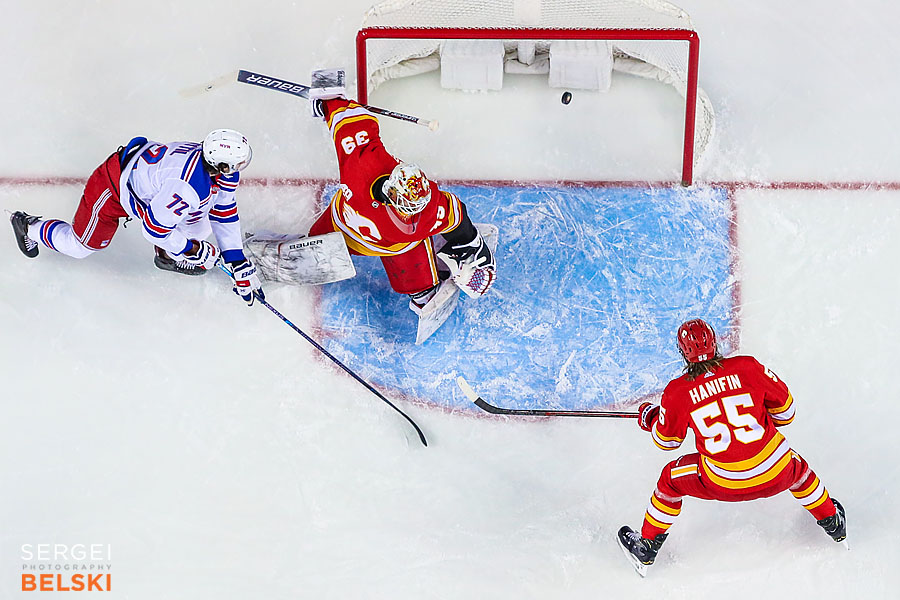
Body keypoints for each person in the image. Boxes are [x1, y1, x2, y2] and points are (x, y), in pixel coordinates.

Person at [617, 318, 847, 576]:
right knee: (796, 469)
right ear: (715, 343)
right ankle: (833, 522)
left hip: (723, 482)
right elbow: (786, 414)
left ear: (682, 352)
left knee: (670, 479)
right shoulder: (748, 367)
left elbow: (667, 441)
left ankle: (647, 546)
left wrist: (653, 418)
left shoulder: (677, 392)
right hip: (777, 474)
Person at [306, 71, 496, 329]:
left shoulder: (421, 206)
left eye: (417, 207)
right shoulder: (365, 164)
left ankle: (424, 291)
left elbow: (456, 214)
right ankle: (427, 275)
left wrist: (330, 103)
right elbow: (350, 125)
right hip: (347, 226)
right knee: (313, 246)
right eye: (408, 208)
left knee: (419, 286)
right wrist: (330, 102)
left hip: (389, 244)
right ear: (391, 194)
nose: (412, 215)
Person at [8, 129, 264, 305]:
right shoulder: (187, 187)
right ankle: (28, 227)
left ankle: (166, 254)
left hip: (146, 184)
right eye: (237, 163)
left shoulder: (211, 165)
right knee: (80, 246)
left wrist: (236, 259)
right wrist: (191, 249)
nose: (240, 167)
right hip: (112, 189)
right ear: (220, 165)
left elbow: (223, 209)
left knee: (200, 223)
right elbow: (154, 230)